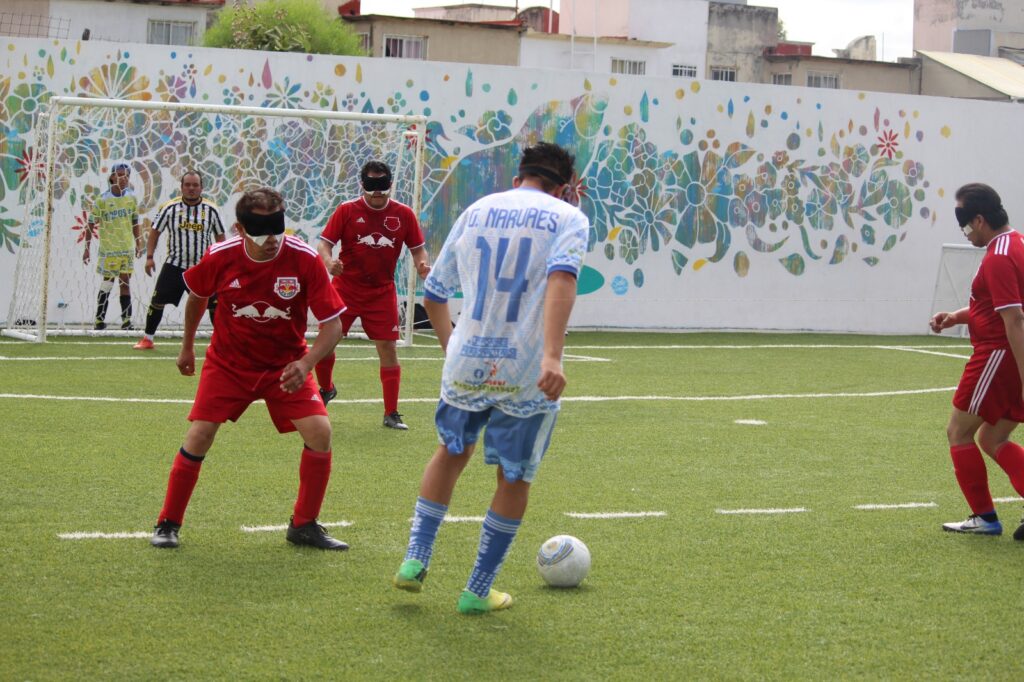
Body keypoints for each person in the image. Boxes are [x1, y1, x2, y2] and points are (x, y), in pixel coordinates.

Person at [391, 142, 589, 614]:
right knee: (514, 476)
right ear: (564, 187)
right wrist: (553, 358)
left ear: (520, 175)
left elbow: (434, 294)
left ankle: (414, 560)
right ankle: (477, 590)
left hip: (467, 358)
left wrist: (450, 346)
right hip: (524, 367)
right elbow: (563, 278)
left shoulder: (477, 209)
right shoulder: (569, 218)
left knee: (450, 452)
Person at [150, 187, 348, 551]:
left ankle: (303, 525)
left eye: (277, 228)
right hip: (228, 364)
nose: (271, 240)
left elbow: (333, 324)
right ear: (240, 229)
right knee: (199, 435)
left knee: (320, 432)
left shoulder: (303, 259)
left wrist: (306, 364)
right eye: (260, 231)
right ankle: (168, 522)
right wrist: (187, 346)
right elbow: (197, 296)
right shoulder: (221, 255)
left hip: (285, 366)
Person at [931, 182, 1024, 540]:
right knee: (992, 438)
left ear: (980, 219)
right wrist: (957, 316)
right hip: (1006, 357)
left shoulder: (999, 257)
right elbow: (993, 307)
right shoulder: (1013, 244)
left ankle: (984, 517)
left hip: (997, 356)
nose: (965, 233)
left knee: (959, 431)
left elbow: (1013, 318)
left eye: (965, 225)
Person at [315, 161, 431, 430]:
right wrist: (329, 262)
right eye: (371, 185)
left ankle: (391, 412)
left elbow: (418, 249)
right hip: (345, 289)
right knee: (325, 345)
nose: (377, 191)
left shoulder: (403, 214)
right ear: (362, 184)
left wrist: (422, 264)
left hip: (381, 292)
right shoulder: (346, 210)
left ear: (390, 184)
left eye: (382, 185)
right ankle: (326, 388)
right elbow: (324, 243)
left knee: (388, 349)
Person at [134, 170, 226, 350]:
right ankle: (148, 339)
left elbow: (220, 237)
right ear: (181, 187)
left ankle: (223, 342)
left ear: (202, 188)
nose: (191, 189)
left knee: (215, 305)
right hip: (175, 265)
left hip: (202, 267)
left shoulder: (211, 210)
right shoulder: (170, 208)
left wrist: (222, 264)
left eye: (195, 185)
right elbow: (155, 232)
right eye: (188, 185)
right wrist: (150, 257)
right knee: (157, 301)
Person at [82, 162, 141, 330]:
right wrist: (86, 248)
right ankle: (99, 320)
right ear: (113, 176)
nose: (124, 178)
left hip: (126, 249)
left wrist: (138, 242)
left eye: (127, 175)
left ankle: (127, 321)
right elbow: (91, 223)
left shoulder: (131, 198)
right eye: (120, 175)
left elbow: (135, 221)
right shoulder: (102, 200)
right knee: (107, 282)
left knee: (125, 282)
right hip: (109, 250)